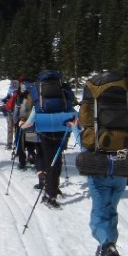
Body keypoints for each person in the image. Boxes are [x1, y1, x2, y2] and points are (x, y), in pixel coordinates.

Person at [69, 73, 128, 256]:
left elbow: (84, 141)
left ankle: (107, 248)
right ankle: (108, 246)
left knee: (99, 211)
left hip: (98, 164)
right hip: (124, 164)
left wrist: (75, 129)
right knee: (111, 209)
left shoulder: (93, 112)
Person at [20, 77, 76, 209]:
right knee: (56, 161)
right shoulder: (63, 96)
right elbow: (74, 113)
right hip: (61, 132)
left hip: (43, 132)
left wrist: (22, 125)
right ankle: (53, 189)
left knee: (45, 158)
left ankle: (49, 192)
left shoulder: (38, 97)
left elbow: (30, 120)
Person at [1, 79, 19, 150]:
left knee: (10, 127)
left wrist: (4, 101)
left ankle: (9, 144)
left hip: (10, 111)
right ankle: (16, 143)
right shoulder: (18, 90)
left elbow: (7, 97)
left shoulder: (11, 89)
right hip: (17, 111)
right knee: (16, 127)